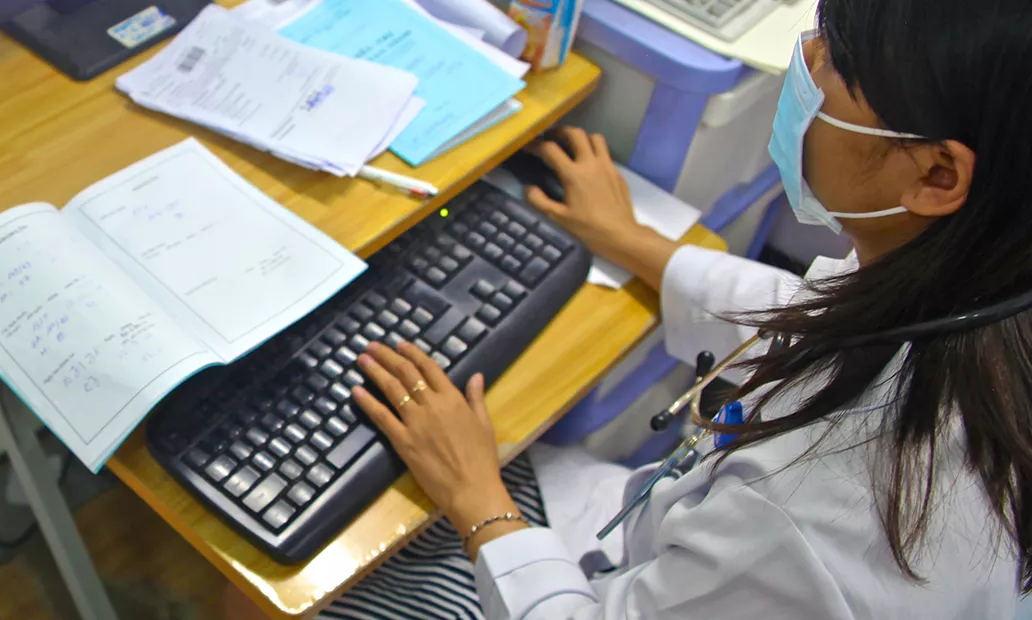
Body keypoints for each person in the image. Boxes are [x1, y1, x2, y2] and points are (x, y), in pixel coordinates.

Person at [230, 0, 1032, 617]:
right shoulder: (973, 291)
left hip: (645, 585)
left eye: (834, 61)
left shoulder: (823, 508)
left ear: (934, 176)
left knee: (324, 587)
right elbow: (811, 313)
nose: (805, 61)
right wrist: (636, 242)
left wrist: (477, 497)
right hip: (657, 540)